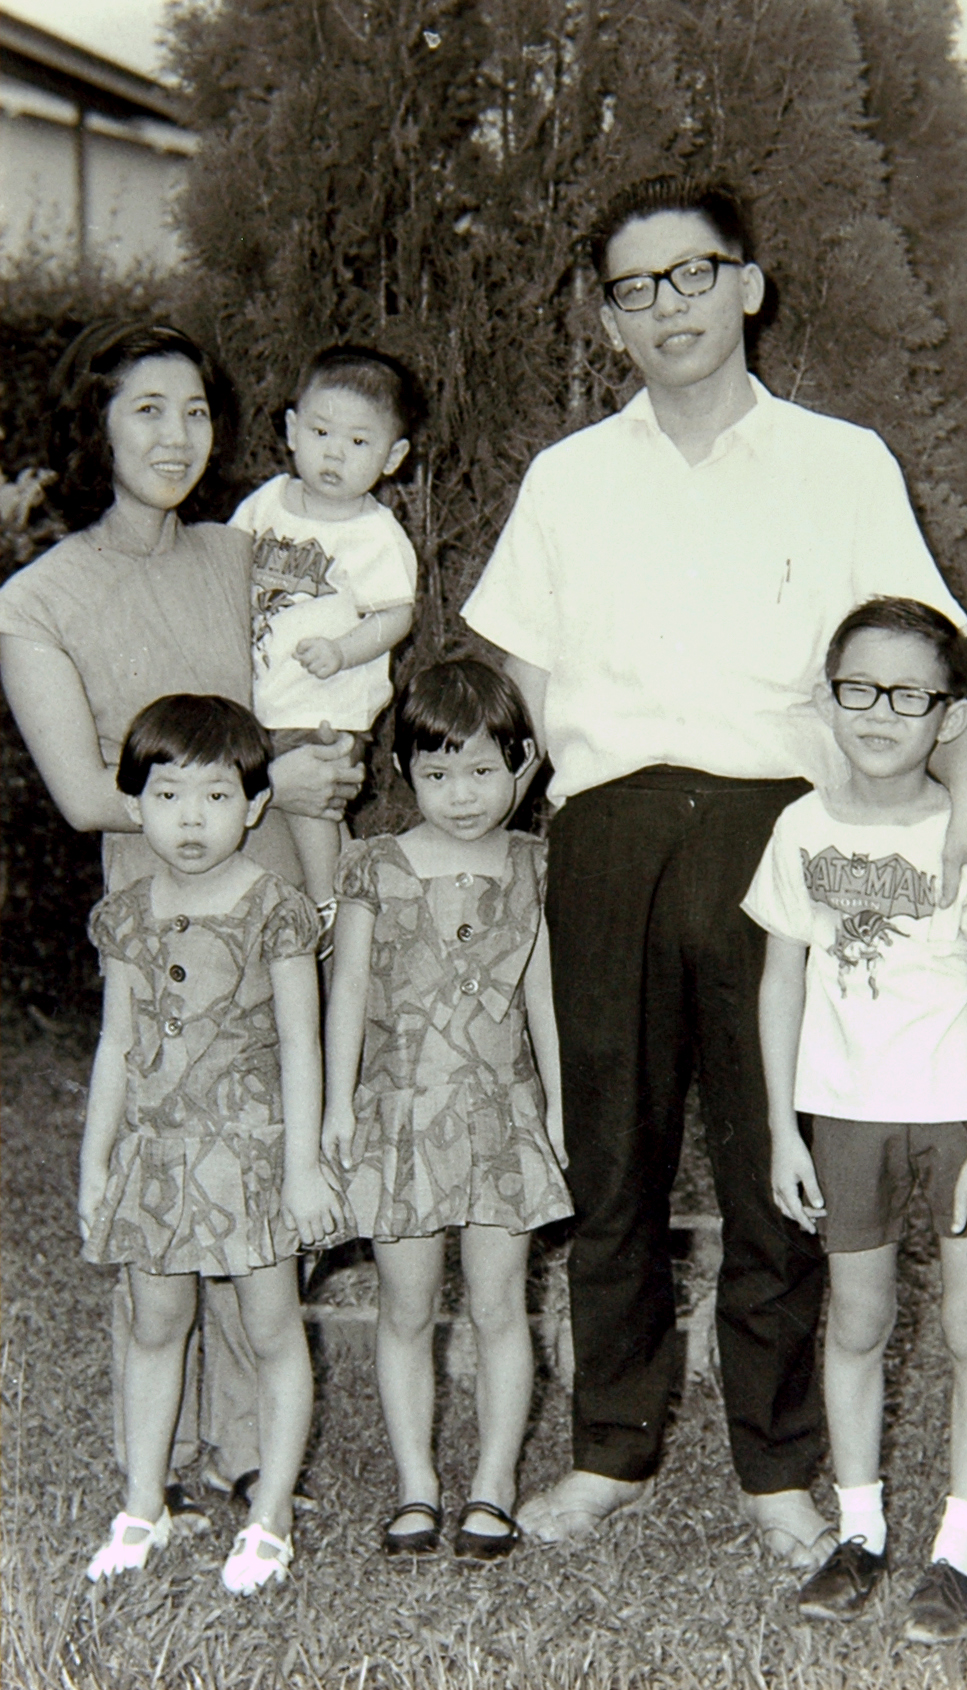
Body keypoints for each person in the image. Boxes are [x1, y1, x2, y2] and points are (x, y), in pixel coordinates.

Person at [461, 175, 967, 1559]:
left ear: (747, 286)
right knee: (613, 1149)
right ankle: (609, 1447)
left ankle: (777, 1468)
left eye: (692, 274)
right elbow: (521, 658)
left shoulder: (840, 463)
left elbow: (917, 653)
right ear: (608, 320)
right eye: (633, 288)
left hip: (780, 830)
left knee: (777, 1146)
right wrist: (581, 791)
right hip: (610, 834)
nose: (667, 307)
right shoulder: (568, 477)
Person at [0, 321, 363, 1508]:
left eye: (196, 410)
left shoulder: (241, 553)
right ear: (93, 425)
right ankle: (150, 1464)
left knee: (262, 1155)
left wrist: (317, 763)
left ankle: (250, 1450)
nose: (176, 435)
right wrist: (262, 783)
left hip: (273, 890)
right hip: (159, 915)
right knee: (164, 1161)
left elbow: (323, 664)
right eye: (147, 409)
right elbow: (80, 793)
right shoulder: (37, 600)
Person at [742, 599, 967, 1641]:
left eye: (908, 695)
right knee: (857, 1321)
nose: (878, 712)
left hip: (957, 1114)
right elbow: (781, 981)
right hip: (847, 1116)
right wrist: (782, 1128)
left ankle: (958, 1550)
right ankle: (861, 1533)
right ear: (826, 700)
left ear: (947, 717)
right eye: (858, 688)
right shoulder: (800, 827)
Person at [80, 694, 343, 1591]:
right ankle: (142, 1505)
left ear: (257, 805)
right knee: (156, 1325)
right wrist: (97, 1161)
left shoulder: (276, 909)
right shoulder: (127, 914)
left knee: (270, 1329)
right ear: (135, 805)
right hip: (157, 1156)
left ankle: (271, 1518)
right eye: (167, 795)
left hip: (250, 1157)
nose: (191, 819)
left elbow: (303, 1044)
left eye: (217, 796)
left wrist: (302, 1169)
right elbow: (117, 1043)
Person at [322, 660, 572, 1559]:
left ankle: (493, 1484)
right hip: (400, 1114)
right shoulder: (374, 866)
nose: (461, 795)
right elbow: (349, 994)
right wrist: (338, 1108)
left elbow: (542, 997)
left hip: (501, 1113)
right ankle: (417, 1485)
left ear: (523, 763)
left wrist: (558, 1107)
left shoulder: (534, 866)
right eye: (437, 774)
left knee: (501, 1304)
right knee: (405, 1305)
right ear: (404, 773)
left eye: (481, 771)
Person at [230, 344, 419, 926]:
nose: (335, 452)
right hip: (265, 699)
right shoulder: (267, 501)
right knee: (302, 814)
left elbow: (395, 617)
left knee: (313, 806)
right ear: (292, 430)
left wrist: (342, 651)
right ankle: (343, 898)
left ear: (393, 457)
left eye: (359, 442)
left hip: (327, 707)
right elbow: (226, 564)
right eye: (320, 432)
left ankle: (327, 905)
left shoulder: (374, 535)